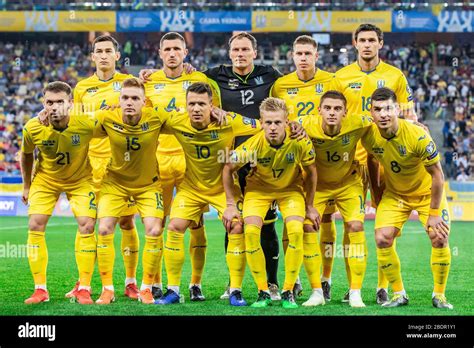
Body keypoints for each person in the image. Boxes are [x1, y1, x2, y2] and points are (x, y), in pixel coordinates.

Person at [140, 32, 284, 300]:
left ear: (254, 52)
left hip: (252, 164)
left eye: (245, 49)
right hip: (208, 173)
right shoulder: (208, 81)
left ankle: (267, 284)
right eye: (235, 50)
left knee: (263, 223)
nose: (240, 54)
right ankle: (190, 287)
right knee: (186, 226)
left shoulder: (270, 76)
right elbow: (147, 114)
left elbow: (270, 120)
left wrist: (288, 130)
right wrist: (142, 81)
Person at [331, 23, 417, 304]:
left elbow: (409, 118)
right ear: (355, 44)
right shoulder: (341, 77)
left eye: (372, 40)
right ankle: (352, 287)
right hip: (350, 160)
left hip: (384, 158)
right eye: (362, 40)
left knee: (383, 220)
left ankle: (382, 286)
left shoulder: (396, 76)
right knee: (350, 224)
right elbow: (334, 115)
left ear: (380, 43)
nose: (367, 44)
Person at [143, 32, 220, 301]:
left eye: (177, 48)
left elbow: (216, 118)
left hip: (192, 162)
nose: (172, 53)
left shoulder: (200, 81)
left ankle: (195, 284)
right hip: (158, 162)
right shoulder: (149, 82)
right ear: (160, 52)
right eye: (168, 49)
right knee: (158, 225)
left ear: (185, 53)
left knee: (196, 224)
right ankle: (156, 282)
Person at [222, 97, 318, 308]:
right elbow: (228, 168)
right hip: (258, 191)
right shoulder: (254, 144)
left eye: (277, 122)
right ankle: (262, 291)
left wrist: (310, 206)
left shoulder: (300, 141)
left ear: (287, 122)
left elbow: (311, 172)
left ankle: (287, 291)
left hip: (290, 190)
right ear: (262, 123)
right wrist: (230, 204)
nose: (272, 127)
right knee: (250, 232)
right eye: (268, 123)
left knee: (295, 230)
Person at [363, 87, 453, 309]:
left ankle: (439, 295)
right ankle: (398, 294)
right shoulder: (368, 134)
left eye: (388, 108)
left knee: (439, 237)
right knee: (382, 238)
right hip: (395, 195)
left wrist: (433, 214)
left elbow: (438, 176)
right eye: (377, 109)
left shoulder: (417, 135)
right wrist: (376, 193)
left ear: (397, 110)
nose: (383, 114)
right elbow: (372, 159)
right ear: (371, 112)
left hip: (426, 194)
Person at [69, 35, 141, 300]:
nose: (103, 55)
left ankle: (131, 282)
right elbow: (74, 126)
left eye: (108, 51)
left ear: (117, 56)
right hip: (90, 166)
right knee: (86, 223)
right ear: (92, 56)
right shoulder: (81, 88)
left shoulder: (128, 84)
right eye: (98, 51)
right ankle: (83, 281)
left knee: (125, 221)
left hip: (122, 166)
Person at [21, 81, 102, 305]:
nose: (54, 107)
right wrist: (26, 185)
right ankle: (40, 290)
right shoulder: (33, 127)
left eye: (60, 102)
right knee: (35, 224)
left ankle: (84, 287)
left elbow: (113, 124)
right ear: (43, 103)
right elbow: (26, 155)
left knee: (87, 224)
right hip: (46, 180)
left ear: (71, 104)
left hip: (80, 179)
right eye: (49, 102)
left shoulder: (86, 123)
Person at [271, 34, 334, 297]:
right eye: (299, 54)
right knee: (291, 220)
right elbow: (273, 117)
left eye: (308, 53)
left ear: (316, 56)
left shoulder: (332, 81)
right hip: (293, 162)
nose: (303, 58)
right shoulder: (281, 85)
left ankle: (326, 278)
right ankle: (293, 279)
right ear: (293, 56)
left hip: (326, 160)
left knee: (327, 218)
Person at [94, 78, 167, 305]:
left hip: (148, 185)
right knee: (104, 228)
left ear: (144, 102)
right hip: (114, 183)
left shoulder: (157, 117)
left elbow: (189, 121)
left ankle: (145, 288)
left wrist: (214, 112)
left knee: (154, 230)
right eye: (125, 97)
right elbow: (76, 126)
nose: (129, 102)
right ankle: (107, 289)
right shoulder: (106, 117)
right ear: (119, 100)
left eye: (135, 98)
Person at [300, 91, 371, 308]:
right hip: (317, 186)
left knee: (356, 225)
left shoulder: (358, 122)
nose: (332, 112)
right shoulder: (303, 124)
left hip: (348, 184)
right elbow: (274, 126)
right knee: (308, 227)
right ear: (319, 110)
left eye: (337, 109)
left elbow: (383, 121)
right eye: (328, 108)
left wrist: (415, 125)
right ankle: (316, 291)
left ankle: (355, 291)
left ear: (345, 112)